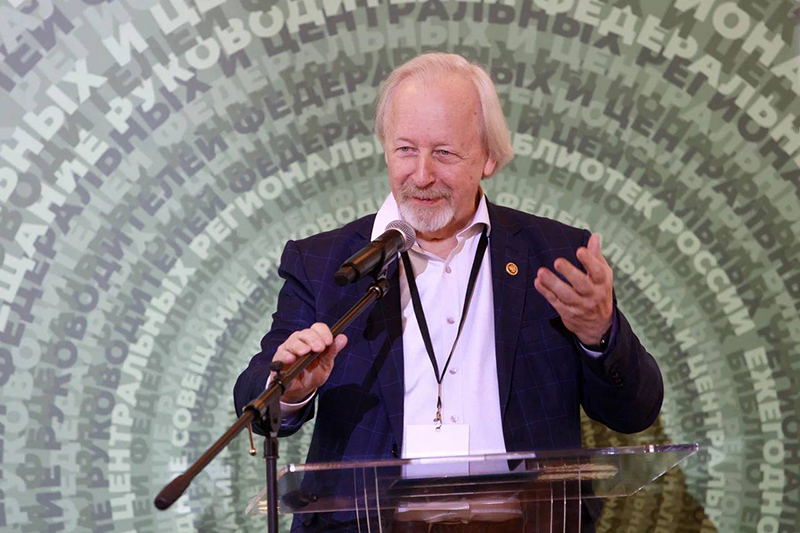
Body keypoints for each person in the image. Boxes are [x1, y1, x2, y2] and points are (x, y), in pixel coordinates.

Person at [234, 52, 663, 532]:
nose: (421, 175)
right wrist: (289, 388)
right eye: (405, 150)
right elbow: (254, 398)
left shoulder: (556, 256)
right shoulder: (325, 262)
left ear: (489, 157)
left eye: (443, 153)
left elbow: (635, 412)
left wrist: (599, 334)